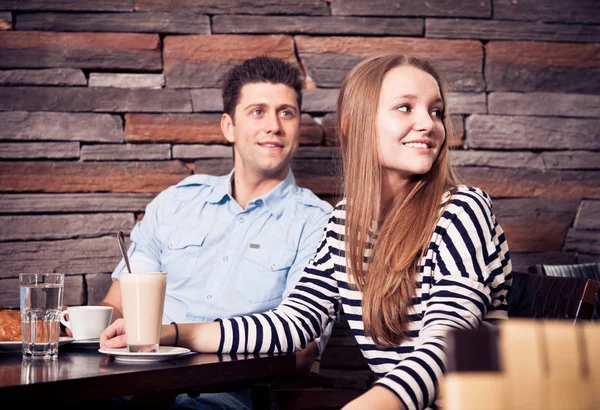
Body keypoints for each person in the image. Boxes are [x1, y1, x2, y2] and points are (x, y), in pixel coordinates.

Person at [101, 53, 512, 410]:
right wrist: (173, 333)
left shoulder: (463, 208)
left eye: (436, 110)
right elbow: (291, 325)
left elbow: (449, 343)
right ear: (355, 126)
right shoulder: (345, 223)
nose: (428, 123)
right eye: (405, 107)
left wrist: (368, 404)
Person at [95, 56, 334, 409]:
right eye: (257, 111)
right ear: (229, 127)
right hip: (126, 388)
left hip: (221, 400)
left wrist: (175, 340)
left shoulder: (318, 223)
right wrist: (75, 327)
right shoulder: (177, 201)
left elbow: (301, 354)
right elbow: (118, 305)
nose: (274, 126)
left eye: (287, 113)